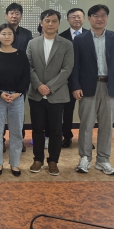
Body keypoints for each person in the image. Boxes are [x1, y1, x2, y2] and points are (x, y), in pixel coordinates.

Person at [70, 4, 114, 176]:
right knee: (86, 125)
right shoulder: (80, 39)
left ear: (107, 18)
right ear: (89, 18)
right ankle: (84, 158)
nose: (100, 18)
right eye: (95, 15)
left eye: (103, 15)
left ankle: (103, 160)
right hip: (87, 87)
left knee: (107, 126)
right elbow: (75, 66)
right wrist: (75, 86)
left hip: (110, 87)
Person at [26, 10, 74, 177]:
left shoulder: (66, 44)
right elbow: (28, 67)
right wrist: (38, 85)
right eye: (47, 21)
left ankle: (53, 161)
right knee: (37, 128)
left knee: (56, 130)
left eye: (54, 21)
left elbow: (67, 69)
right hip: (36, 94)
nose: (50, 24)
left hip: (57, 94)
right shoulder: (32, 43)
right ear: (41, 23)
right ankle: (38, 159)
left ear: (59, 23)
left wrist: (50, 87)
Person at [0, 23, 30, 177]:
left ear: (14, 36)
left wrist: (18, 93)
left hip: (17, 98)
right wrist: (0, 93)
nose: (7, 36)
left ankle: (15, 163)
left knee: (16, 132)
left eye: (9, 34)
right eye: (3, 34)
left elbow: (26, 77)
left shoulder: (21, 55)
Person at [5, 2, 33, 149]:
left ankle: (18, 140)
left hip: (21, 79)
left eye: (17, 13)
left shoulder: (27, 34)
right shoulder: (0, 31)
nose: (14, 16)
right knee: (1, 111)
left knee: (18, 112)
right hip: (2, 78)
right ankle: (1, 139)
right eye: (12, 13)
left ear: (21, 16)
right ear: (6, 16)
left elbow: (29, 56)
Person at [59, 8, 88, 148]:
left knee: (87, 112)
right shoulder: (61, 36)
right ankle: (67, 136)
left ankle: (85, 139)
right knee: (67, 111)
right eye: (73, 17)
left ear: (84, 18)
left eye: (79, 16)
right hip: (67, 80)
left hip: (86, 80)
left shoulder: (90, 35)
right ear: (68, 19)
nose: (77, 19)